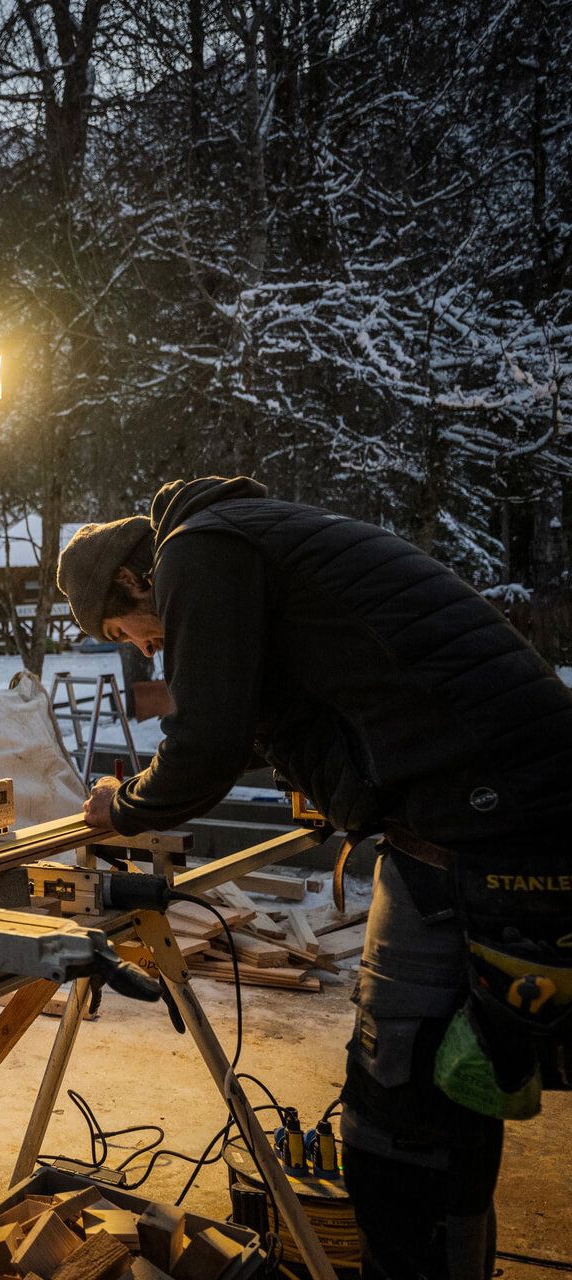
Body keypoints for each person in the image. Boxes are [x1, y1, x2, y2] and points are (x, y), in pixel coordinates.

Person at [55, 475, 572, 1279]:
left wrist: (122, 806)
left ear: (130, 578)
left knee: (398, 1119)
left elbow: (206, 744)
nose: (146, 649)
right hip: (506, 801)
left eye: (131, 632)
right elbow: (318, 689)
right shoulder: (253, 535)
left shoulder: (199, 547)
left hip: (481, 817)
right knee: (450, 1092)